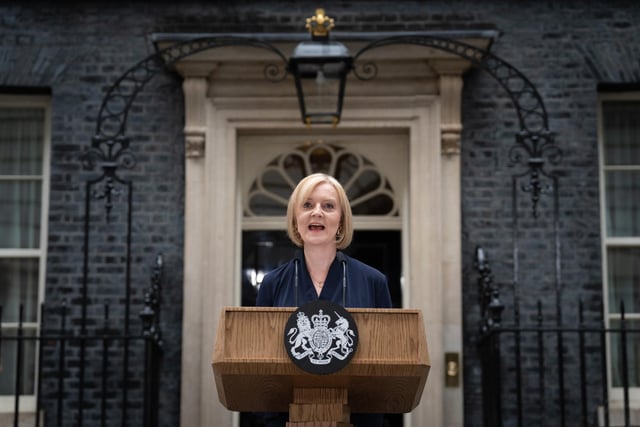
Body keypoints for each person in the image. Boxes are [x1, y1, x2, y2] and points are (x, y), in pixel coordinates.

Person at [256, 172, 392, 427]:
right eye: (307, 205)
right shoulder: (272, 284)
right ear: (296, 219)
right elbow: (261, 368)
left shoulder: (373, 282)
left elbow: (387, 366)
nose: (317, 212)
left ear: (341, 221)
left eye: (328, 206)